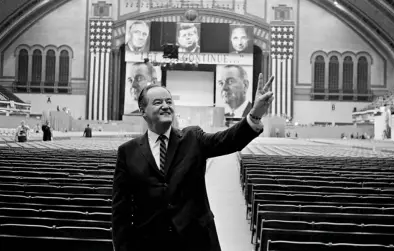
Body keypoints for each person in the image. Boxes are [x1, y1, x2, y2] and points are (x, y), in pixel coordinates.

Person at [112, 73, 274, 251]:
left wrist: (255, 115)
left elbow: (229, 140)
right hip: (150, 243)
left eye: (169, 101)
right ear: (143, 111)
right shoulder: (127, 152)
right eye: (158, 102)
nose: (166, 106)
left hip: (196, 241)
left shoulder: (193, 138)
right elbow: (121, 212)